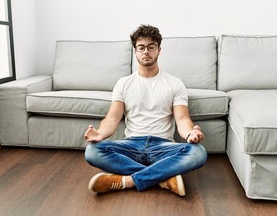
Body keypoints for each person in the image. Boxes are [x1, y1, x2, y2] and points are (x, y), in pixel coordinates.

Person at [83, 24, 207, 196]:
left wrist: (190, 134)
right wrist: (100, 133)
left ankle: (126, 181)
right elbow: (112, 118)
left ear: (159, 50)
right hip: (131, 145)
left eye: (151, 47)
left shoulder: (175, 83)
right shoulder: (123, 83)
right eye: (141, 48)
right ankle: (163, 178)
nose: (146, 51)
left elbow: (182, 119)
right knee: (92, 151)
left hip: (162, 146)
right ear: (135, 51)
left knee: (198, 153)